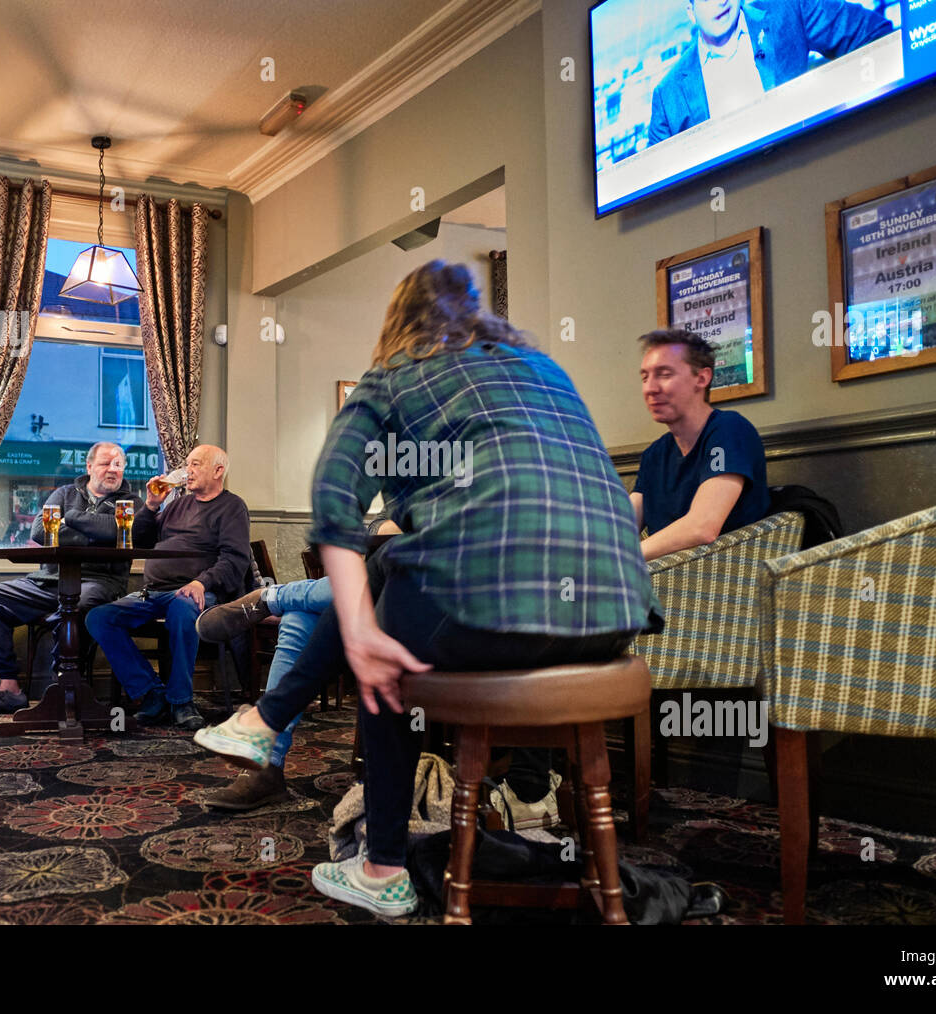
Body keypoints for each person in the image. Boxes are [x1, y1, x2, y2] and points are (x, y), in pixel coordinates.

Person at [196, 260, 663, 917]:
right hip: (616, 616)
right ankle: (264, 718)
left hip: (486, 613)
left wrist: (359, 632)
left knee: (381, 650)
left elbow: (334, 499)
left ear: (397, 322)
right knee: (391, 572)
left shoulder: (394, 376)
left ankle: (379, 861)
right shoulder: (545, 371)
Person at [194, 517, 403, 812]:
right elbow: (384, 528)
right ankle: (266, 767)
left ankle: (271, 597)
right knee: (302, 616)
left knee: (365, 576)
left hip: (447, 614)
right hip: (385, 609)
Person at [0, 443, 141, 715]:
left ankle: (63, 689)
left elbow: (118, 535)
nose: (113, 470)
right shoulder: (64, 493)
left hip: (99, 582)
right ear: (89, 466)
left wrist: (71, 525)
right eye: (106, 463)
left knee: (76, 605)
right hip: (48, 581)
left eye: (119, 464)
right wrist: (96, 535)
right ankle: (7, 688)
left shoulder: (131, 503)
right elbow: (39, 532)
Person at [85, 445, 250, 732]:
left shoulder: (232, 506)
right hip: (153, 591)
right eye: (187, 464)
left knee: (183, 608)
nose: (188, 471)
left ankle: (181, 701)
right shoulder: (176, 504)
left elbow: (235, 560)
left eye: (196, 464)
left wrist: (201, 582)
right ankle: (152, 693)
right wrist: (150, 506)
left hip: (197, 591)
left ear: (218, 470)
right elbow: (143, 542)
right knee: (98, 618)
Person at [647, 0, 893, 146]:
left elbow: (875, 34)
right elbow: (656, 190)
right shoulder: (667, 94)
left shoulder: (788, 10)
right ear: (690, 12)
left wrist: (828, 108)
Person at [629, 328, 768, 560]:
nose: (650, 388)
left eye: (664, 374)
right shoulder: (655, 454)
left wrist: (621, 559)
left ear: (702, 378)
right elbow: (620, 528)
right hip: (663, 581)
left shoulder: (728, 430)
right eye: (645, 377)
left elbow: (702, 527)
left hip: (722, 582)